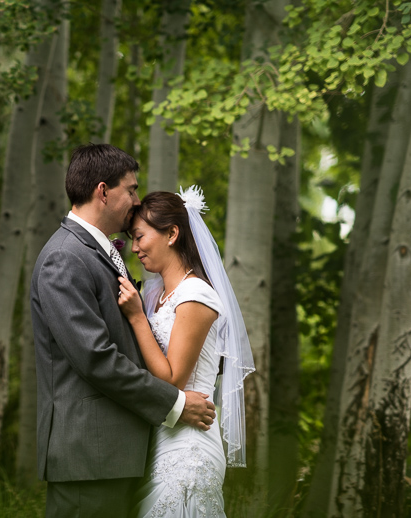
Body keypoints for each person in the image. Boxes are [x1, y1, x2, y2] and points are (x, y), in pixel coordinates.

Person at [30, 144, 218, 518]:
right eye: (130, 190)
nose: (135, 200)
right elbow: (96, 358)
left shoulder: (95, 251)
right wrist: (176, 404)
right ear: (103, 191)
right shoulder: (64, 258)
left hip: (116, 455)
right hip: (89, 456)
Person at [117, 188, 255, 518]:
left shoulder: (196, 295)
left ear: (172, 233)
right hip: (160, 437)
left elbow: (173, 378)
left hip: (188, 444)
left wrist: (136, 317)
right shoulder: (157, 295)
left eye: (139, 237)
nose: (135, 248)